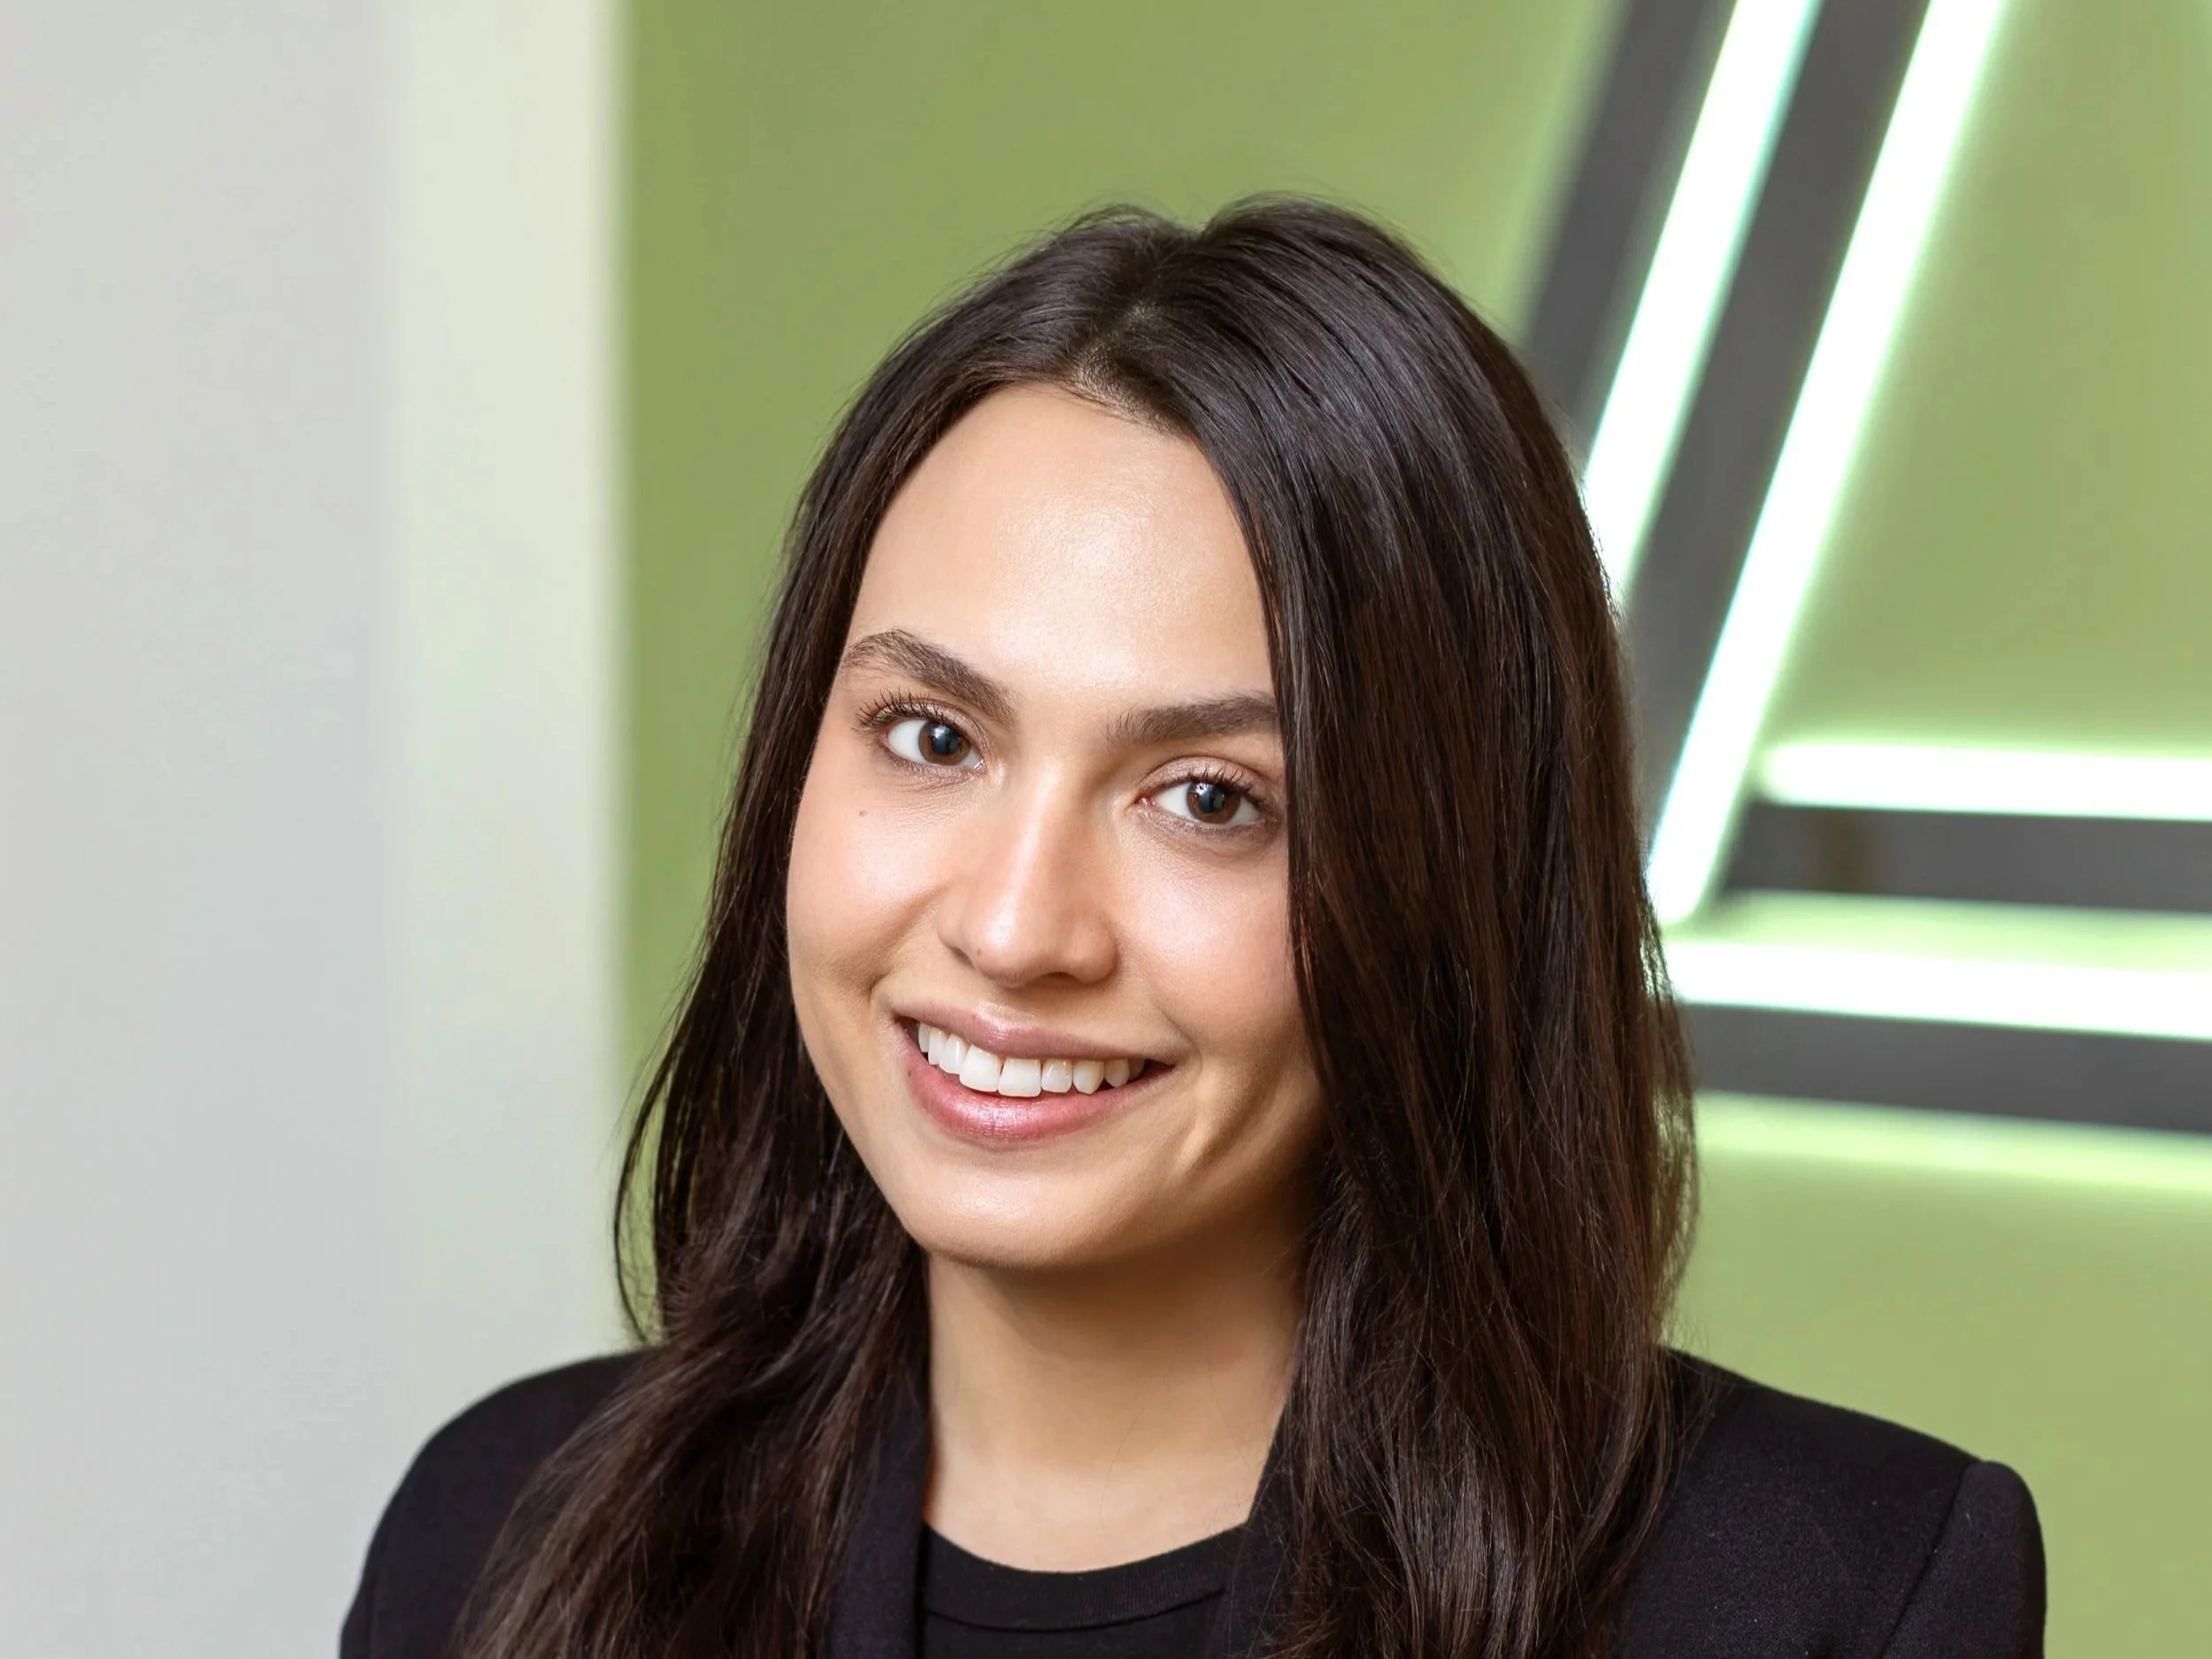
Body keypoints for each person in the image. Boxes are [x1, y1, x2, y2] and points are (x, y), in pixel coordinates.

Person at [342, 201, 2043, 1659]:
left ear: (1438, 883)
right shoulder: (506, 1534)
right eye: (936, 738)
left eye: (1209, 798)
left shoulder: (1824, 1592)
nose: (1014, 928)